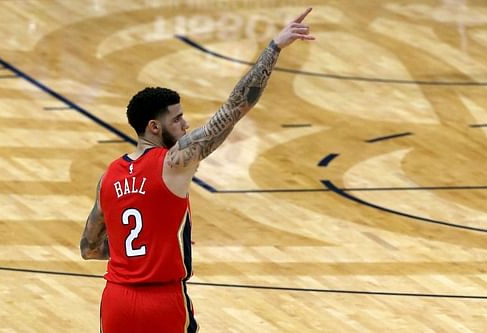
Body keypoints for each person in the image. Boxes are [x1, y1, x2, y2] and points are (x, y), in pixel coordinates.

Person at [80, 7, 315, 333]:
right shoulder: (174, 162)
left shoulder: (108, 176)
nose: (185, 123)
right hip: (162, 301)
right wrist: (273, 47)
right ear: (154, 127)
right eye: (176, 119)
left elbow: (89, 249)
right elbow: (235, 107)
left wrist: (141, 251)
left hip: (116, 300)